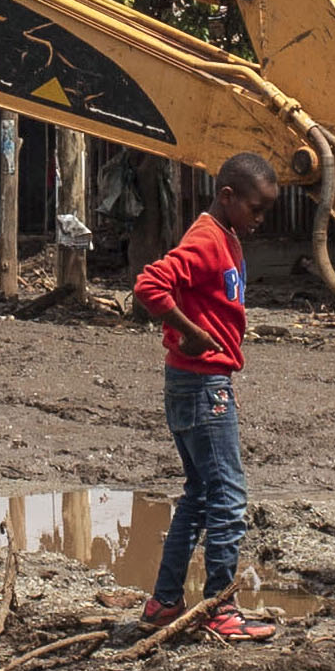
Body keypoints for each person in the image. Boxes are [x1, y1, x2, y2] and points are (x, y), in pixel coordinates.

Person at [123, 151, 283, 644]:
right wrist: (190, 332)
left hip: (195, 382)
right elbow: (149, 285)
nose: (259, 221)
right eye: (254, 210)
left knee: (198, 496)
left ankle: (165, 602)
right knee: (229, 497)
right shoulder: (209, 240)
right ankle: (220, 607)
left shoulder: (225, 236)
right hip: (202, 384)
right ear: (227, 196)